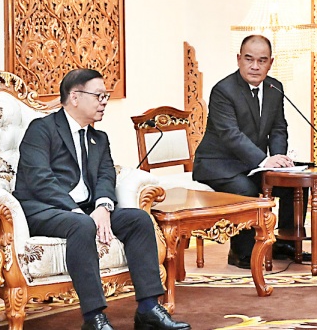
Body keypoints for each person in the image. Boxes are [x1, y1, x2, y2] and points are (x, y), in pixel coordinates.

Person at [14, 69, 190, 330]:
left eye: (105, 96)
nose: (104, 102)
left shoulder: (99, 138)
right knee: (82, 224)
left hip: (86, 210)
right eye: (99, 96)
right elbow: (40, 179)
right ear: (75, 97)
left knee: (139, 220)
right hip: (44, 210)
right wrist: (76, 211)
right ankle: (94, 317)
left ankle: (148, 309)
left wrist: (103, 207)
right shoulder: (42, 129)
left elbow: (107, 176)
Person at [193, 34, 306, 269]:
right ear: (238, 59)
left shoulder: (274, 87)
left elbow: (278, 128)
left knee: (296, 184)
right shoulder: (223, 90)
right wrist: (264, 160)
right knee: (247, 189)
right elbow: (230, 135)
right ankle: (241, 253)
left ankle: (285, 244)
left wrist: (278, 162)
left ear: (270, 63)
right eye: (249, 59)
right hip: (219, 165)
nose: (255, 66)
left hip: (253, 164)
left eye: (262, 60)